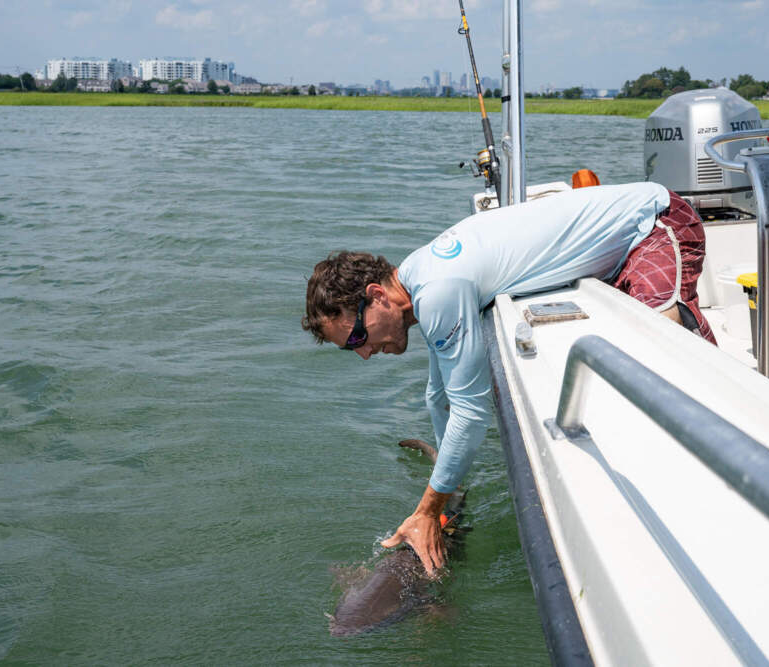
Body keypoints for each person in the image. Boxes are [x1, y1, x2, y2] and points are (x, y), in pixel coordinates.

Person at [301, 182, 715, 575]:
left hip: (655, 223)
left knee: (662, 342)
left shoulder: (439, 290)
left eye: (357, 335)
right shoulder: (416, 277)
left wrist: (428, 509)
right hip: (621, 250)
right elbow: (439, 397)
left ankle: (720, 435)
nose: (363, 351)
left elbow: (470, 412)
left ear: (376, 295)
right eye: (348, 347)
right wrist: (449, 494)